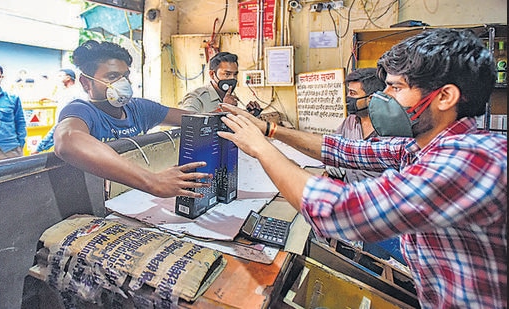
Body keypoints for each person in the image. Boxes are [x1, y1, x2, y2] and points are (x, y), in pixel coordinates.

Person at [217, 28, 506, 308]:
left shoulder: (468, 161)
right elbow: (344, 150)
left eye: (396, 88)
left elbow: (340, 209)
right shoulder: (423, 147)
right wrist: (269, 130)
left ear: (445, 97)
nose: (384, 97)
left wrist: (260, 148)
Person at [53, 40, 211, 198]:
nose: (123, 83)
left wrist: (221, 116)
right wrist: (153, 181)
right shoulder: (81, 110)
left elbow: (193, 119)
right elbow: (67, 140)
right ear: (86, 83)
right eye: (112, 76)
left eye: (125, 76)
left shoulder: (139, 109)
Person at [324, 67, 385, 183]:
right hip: (348, 194)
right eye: (348, 92)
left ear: (371, 99)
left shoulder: (389, 130)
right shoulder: (350, 121)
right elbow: (332, 148)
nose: (347, 98)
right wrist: (331, 162)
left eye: (353, 93)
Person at [179, 51, 261, 114]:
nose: (233, 78)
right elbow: (186, 124)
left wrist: (249, 113)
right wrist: (223, 109)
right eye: (227, 74)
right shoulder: (197, 98)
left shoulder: (229, 98)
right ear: (212, 74)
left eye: (235, 74)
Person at [32, 68, 85, 154]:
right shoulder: (68, 92)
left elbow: (60, 125)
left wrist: (39, 148)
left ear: (68, 78)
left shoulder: (72, 94)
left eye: (60, 75)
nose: (58, 78)